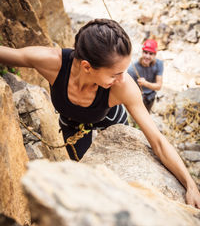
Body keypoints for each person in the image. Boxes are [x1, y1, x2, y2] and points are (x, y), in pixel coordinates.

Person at [0, 18, 199, 208]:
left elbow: (158, 141)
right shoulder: (53, 63)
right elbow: (9, 54)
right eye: (115, 74)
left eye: (124, 70)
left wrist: (190, 184)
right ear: (87, 66)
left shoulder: (124, 87)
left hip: (111, 123)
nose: (123, 79)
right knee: (86, 175)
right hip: (72, 125)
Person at [128, 39, 163, 112]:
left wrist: (145, 83)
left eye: (151, 54)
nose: (147, 56)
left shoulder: (159, 64)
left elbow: (159, 86)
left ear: (155, 55)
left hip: (151, 96)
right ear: (142, 52)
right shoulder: (133, 69)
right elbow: (129, 89)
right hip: (138, 98)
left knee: (147, 113)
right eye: (145, 52)